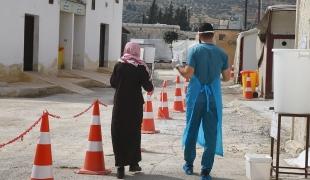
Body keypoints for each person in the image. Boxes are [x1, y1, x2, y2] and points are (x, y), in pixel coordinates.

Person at [175, 23, 230, 180]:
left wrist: (179, 68)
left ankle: (189, 166)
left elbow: (188, 74)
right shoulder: (222, 53)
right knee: (211, 134)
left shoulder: (195, 50)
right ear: (212, 34)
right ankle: (206, 170)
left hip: (195, 97)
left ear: (199, 34)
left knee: (191, 129)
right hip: (213, 97)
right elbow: (226, 78)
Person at [110, 42, 154, 179]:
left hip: (120, 105)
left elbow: (113, 83)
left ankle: (120, 167)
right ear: (137, 52)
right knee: (133, 133)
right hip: (135, 106)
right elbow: (148, 87)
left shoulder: (119, 65)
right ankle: (134, 163)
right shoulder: (141, 67)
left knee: (118, 132)